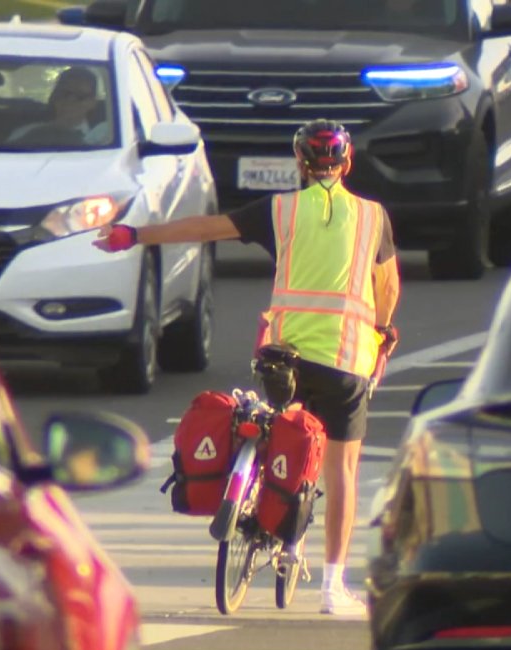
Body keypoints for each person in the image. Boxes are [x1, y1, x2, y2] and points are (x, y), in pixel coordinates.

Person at [94, 119, 401, 616]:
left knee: (283, 437)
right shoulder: (372, 217)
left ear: (299, 163)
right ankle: (332, 588)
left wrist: (134, 235)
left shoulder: (278, 211)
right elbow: (387, 288)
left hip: (285, 359)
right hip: (347, 361)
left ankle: (271, 520)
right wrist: (384, 332)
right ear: (347, 163)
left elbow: (204, 228)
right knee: (341, 469)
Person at [7, 66, 110, 145]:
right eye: (65, 93)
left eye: (80, 96)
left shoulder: (106, 136)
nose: (70, 100)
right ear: (54, 97)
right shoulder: (24, 133)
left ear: (92, 103)